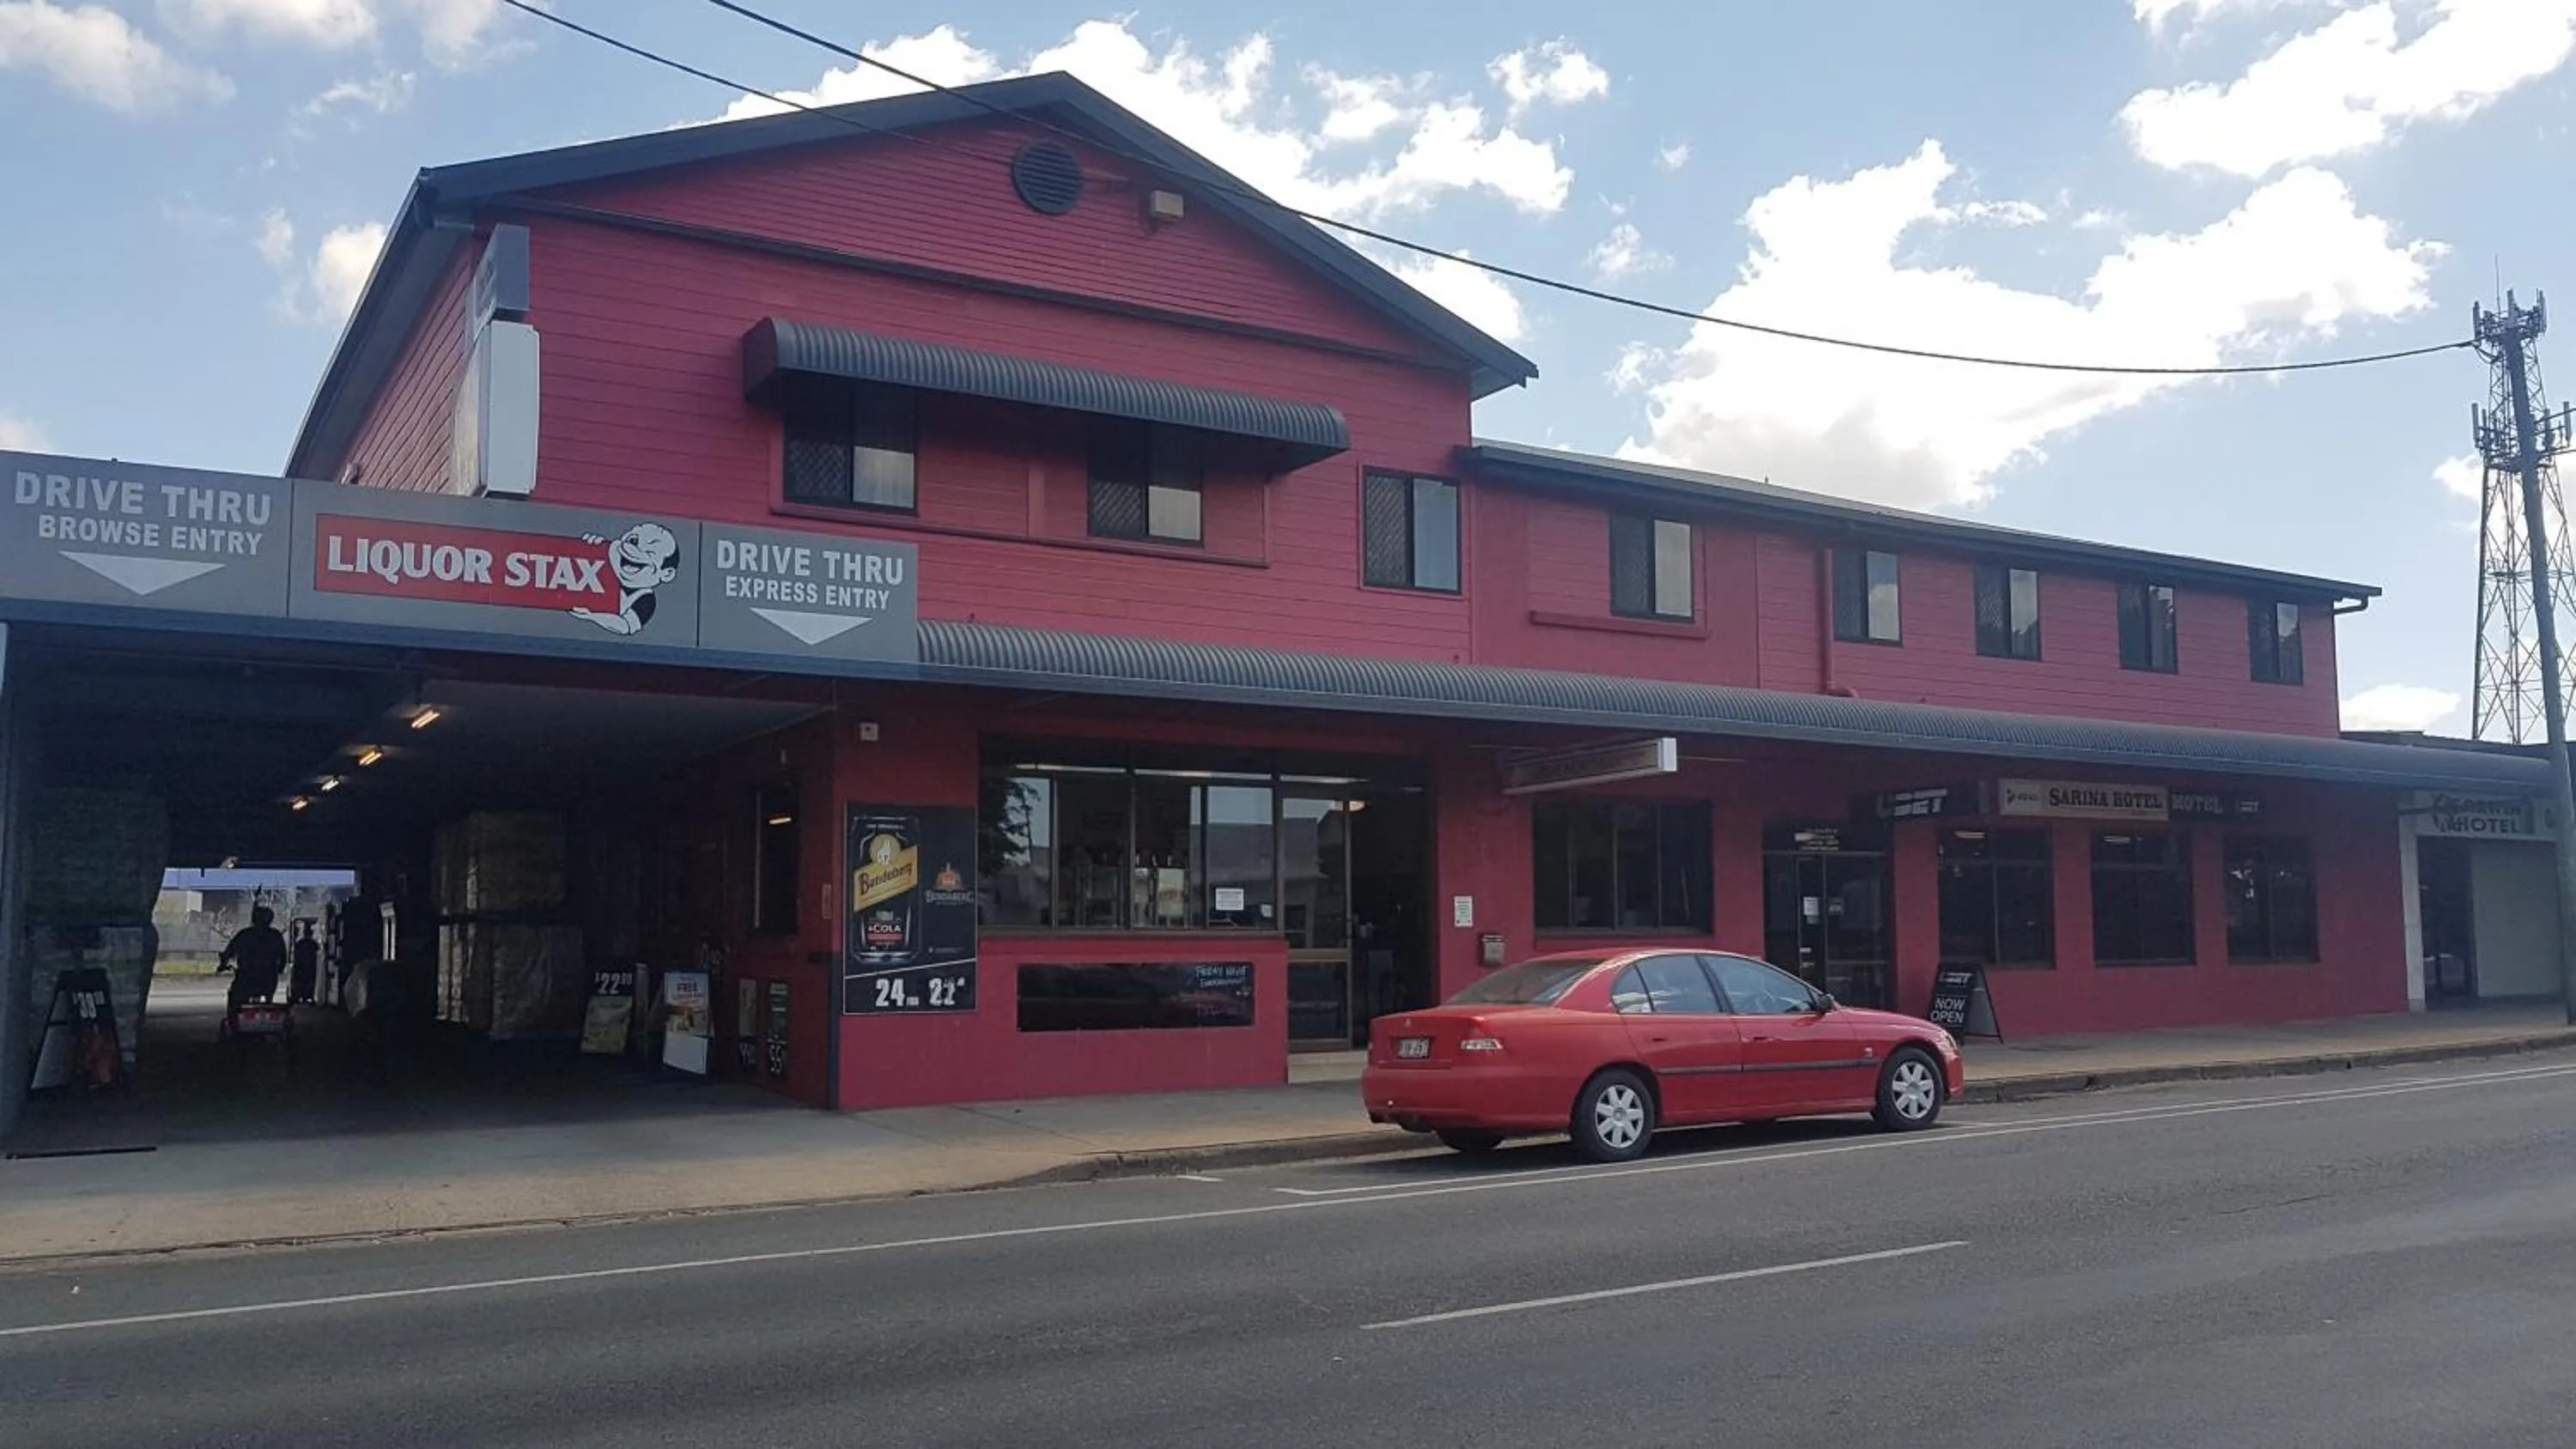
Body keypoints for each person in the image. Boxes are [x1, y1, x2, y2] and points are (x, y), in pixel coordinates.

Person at [220, 906, 289, 1028]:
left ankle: (234, 1025)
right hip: (268, 979)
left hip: (246, 978)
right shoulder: (275, 935)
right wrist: (280, 968)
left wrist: (223, 964)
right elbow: (283, 956)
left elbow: (229, 952)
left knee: (234, 998)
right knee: (268, 999)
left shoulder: (245, 934)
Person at [289, 921, 320, 1006]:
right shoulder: (313, 944)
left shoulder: (300, 943)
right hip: (310, 966)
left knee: (302, 982)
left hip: (302, 966)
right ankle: (307, 996)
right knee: (309, 982)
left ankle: (301, 995)